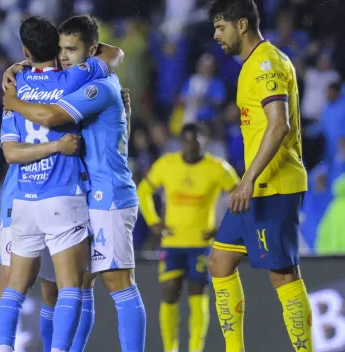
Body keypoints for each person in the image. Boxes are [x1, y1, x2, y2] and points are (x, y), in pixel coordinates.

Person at [2, 15, 146, 352]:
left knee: (119, 283)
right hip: (85, 192)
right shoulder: (77, 80)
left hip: (108, 193)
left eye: (72, 49)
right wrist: (21, 65)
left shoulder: (97, 85)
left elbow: (52, 116)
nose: (64, 56)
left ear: (91, 50)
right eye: (60, 49)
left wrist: (13, 100)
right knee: (80, 284)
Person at [208, 1, 312, 351]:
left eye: (220, 27)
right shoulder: (255, 63)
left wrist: (247, 179)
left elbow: (278, 124)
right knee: (219, 262)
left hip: (273, 186)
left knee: (283, 275)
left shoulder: (265, 63)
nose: (215, 35)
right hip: (257, 186)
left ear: (241, 25)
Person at [137, 123, 239, 352]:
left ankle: (195, 348)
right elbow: (143, 191)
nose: (191, 146)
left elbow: (239, 195)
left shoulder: (217, 168)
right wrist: (154, 223)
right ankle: (170, 348)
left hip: (201, 244)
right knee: (169, 292)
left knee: (197, 293)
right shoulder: (167, 164)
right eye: (187, 141)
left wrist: (224, 227)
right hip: (172, 242)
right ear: (181, 142)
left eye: (196, 142)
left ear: (205, 143)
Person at [0, 132, 80, 351]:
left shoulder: (63, 100)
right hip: (21, 197)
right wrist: (56, 146)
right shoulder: (19, 102)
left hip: (58, 195)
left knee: (53, 290)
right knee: (10, 284)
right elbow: (11, 151)